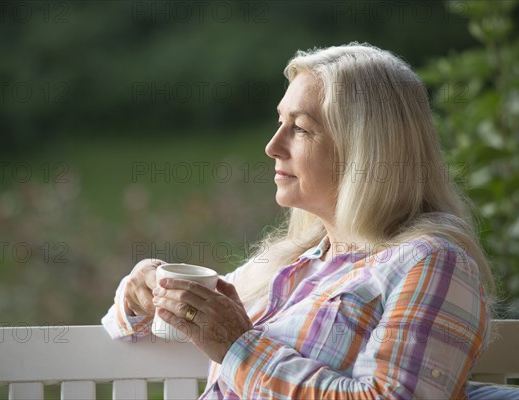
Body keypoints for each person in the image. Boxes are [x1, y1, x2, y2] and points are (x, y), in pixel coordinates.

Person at [102, 43, 495, 399]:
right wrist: (144, 288)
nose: (273, 147)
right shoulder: (298, 260)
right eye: (279, 122)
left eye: (301, 129)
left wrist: (238, 345)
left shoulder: (432, 261)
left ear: (366, 152)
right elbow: (136, 326)